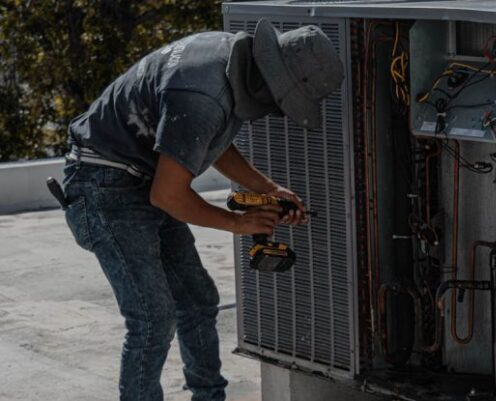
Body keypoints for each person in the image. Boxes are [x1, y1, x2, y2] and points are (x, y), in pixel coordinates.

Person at [60, 19, 344, 401]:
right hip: (102, 186)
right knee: (152, 317)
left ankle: (209, 397)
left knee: (197, 300)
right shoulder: (202, 94)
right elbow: (168, 196)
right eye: (282, 104)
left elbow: (200, 140)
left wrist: (267, 188)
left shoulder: (225, 58)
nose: (276, 112)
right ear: (272, 84)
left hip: (137, 176)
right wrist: (237, 223)